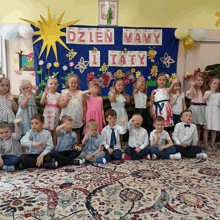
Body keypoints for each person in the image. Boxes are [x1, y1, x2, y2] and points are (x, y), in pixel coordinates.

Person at [59, 73, 86, 143]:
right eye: (71, 83)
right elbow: (61, 105)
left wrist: (84, 116)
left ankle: (76, 146)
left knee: (77, 133)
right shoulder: (64, 93)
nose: (73, 84)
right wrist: (66, 100)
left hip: (77, 118)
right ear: (68, 83)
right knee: (66, 133)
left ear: (78, 84)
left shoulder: (81, 93)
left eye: (75, 83)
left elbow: (84, 106)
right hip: (67, 118)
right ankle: (66, 146)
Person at [186, 72, 207, 144]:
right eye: (198, 80)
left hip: (202, 108)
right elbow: (190, 96)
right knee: (192, 125)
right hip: (194, 108)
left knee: (199, 127)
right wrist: (192, 86)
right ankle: (191, 142)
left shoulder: (204, 90)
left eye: (202, 80)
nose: (200, 82)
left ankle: (197, 142)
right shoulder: (193, 89)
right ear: (194, 81)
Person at [40, 77, 60, 146]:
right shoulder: (46, 94)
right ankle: (48, 145)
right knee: (48, 131)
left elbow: (60, 105)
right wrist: (45, 94)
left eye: (55, 84)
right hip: (48, 114)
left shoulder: (59, 95)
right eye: (51, 84)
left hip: (55, 115)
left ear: (57, 86)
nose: (53, 85)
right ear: (47, 85)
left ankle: (54, 146)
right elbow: (42, 102)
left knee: (55, 132)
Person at [203, 77, 220, 151]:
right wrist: (210, 92)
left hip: (216, 111)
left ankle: (212, 143)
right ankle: (206, 144)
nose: (216, 85)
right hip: (209, 110)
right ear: (210, 84)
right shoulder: (207, 92)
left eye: (217, 84)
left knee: (214, 129)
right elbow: (204, 99)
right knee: (207, 128)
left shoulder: (219, 94)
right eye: (214, 83)